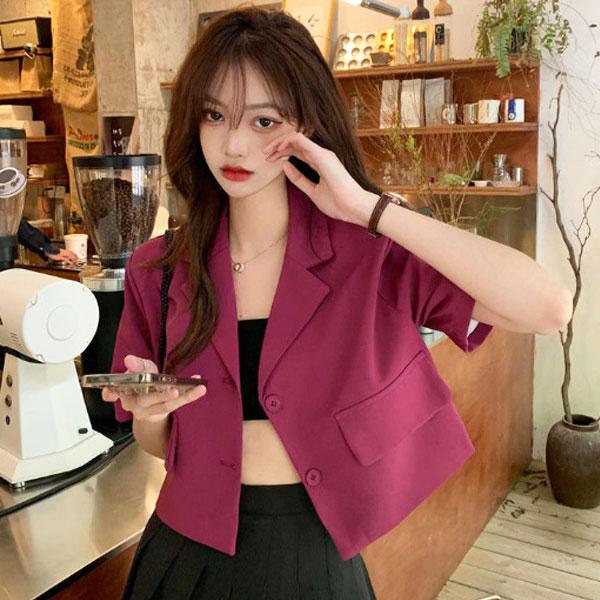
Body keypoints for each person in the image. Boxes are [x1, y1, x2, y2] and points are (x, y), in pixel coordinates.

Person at [101, 7, 572, 599]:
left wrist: (370, 208)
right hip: (183, 556)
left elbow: (548, 308)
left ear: (306, 125)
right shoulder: (159, 268)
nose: (235, 144)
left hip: (312, 556)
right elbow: (157, 445)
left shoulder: (366, 254)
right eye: (214, 115)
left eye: (265, 121)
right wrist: (151, 413)